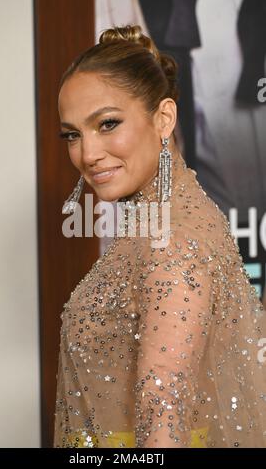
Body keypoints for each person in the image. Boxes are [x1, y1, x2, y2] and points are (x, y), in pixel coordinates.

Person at [54, 24, 266, 448]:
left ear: (164, 118)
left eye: (107, 124)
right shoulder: (158, 223)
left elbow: (162, 405)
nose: (87, 153)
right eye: (73, 134)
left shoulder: (174, 242)